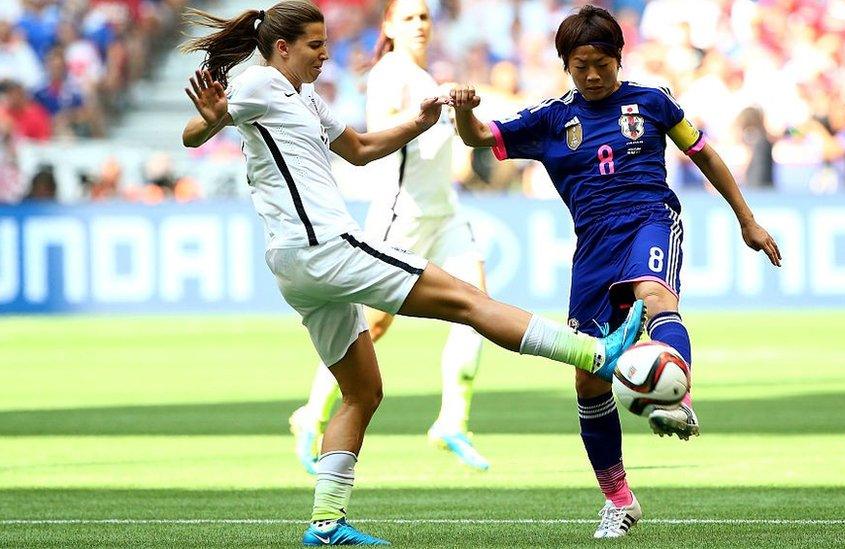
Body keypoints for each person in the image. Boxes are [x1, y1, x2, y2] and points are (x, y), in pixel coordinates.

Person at [179, 2, 644, 545]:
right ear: (282, 48)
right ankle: (592, 353)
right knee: (467, 301)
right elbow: (194, 133)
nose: (326, 53)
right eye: (314, 45)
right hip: (326, 247)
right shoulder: (259, 85)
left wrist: (418, 123)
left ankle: (326, 524)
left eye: (325, 42)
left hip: (293, 264)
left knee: (362, 391)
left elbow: (359, 150)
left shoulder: (306, 98)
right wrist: (209, 120)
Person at [451, 5, 782, 539]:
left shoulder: (652, 102)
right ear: (566, 65)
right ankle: (619, 499)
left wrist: (747, 220)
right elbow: (478, 139)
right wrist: (466, 112)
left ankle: (680, 398)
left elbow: (706, 155)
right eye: (581, 65)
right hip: (593, 246)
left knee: (655, 294)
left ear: (618, 58)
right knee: (586, 375)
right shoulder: (552, 119)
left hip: (651, 217)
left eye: (602, 63)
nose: (593, 75)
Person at [288, 0, 492, 475]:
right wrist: (431, 111)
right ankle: (311, 415)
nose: (419, 25)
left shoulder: (428, 76)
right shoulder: (389, 74)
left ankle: (452, 422)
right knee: (371, 327)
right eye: (409, 18)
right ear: (389, 26)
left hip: (445, 214)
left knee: (478, 307)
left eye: (424, 17)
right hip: (402, 217)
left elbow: (443, 148)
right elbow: (379, 135)